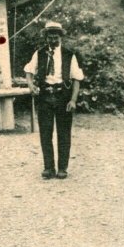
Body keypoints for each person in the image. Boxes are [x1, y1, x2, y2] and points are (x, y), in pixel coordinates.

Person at [25, 21, 84, 179]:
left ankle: (62, 168)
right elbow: (29, 71)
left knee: (64, 133)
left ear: (60, 37)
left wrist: (73, 100)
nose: (52, 40)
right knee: (45, 133)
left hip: (63, 96)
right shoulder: (39, 54)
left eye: (55, 37)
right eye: (50, 37)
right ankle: (49, 168)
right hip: (45, 97)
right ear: (46, 37)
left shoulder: (68, 55)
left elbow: (77, 79)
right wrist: (31, 86)